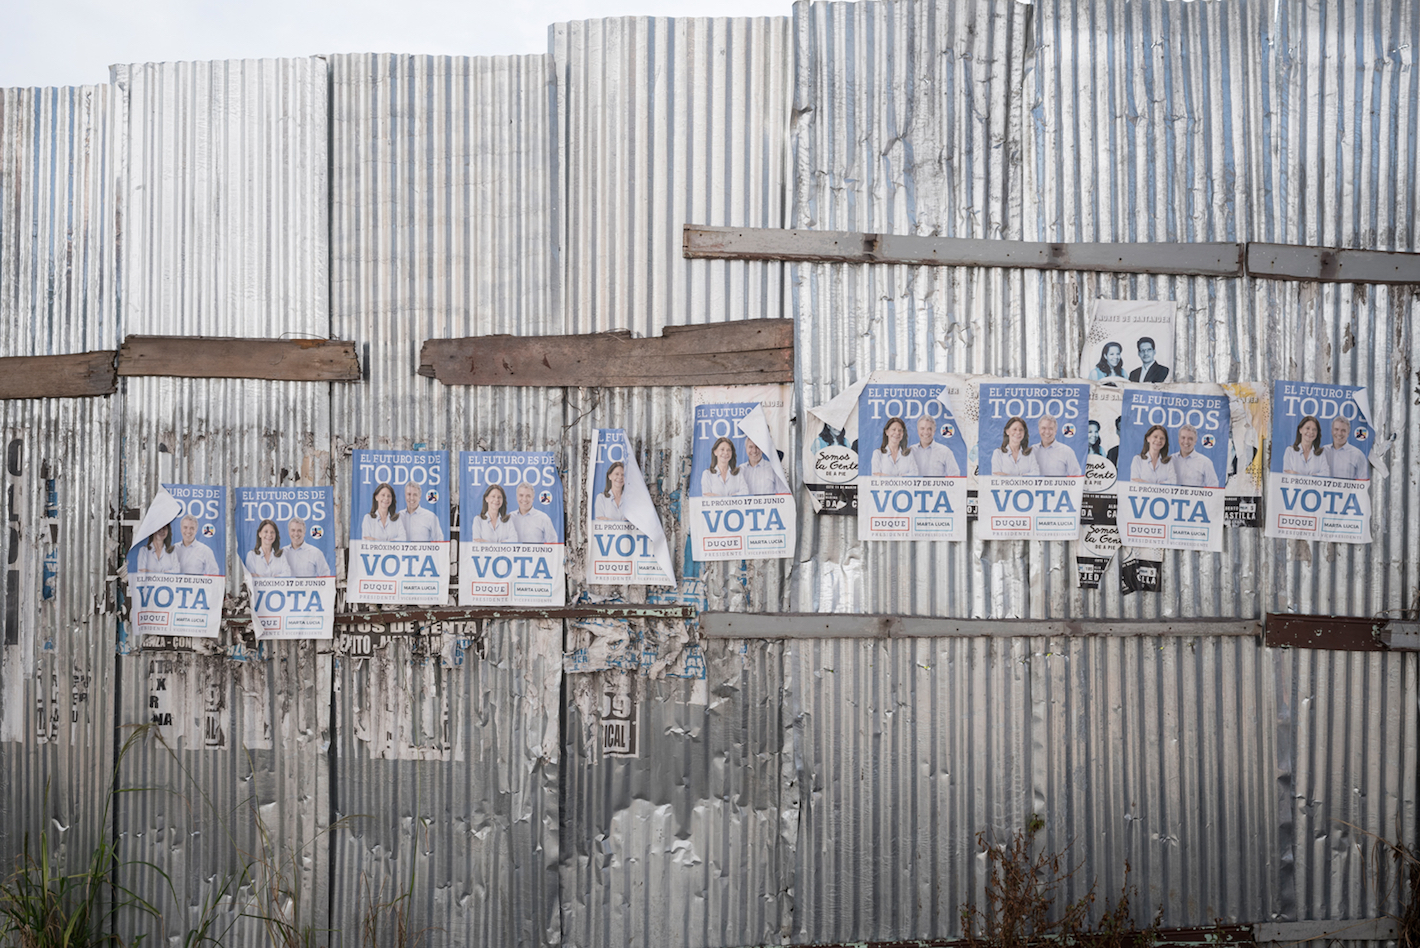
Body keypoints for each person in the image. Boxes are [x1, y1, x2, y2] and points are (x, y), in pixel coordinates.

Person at [1323, 416, 1368, 480]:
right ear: (1332, 431)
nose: (1339, 433)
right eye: (1336, 429)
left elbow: (1363, 482)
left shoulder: (1357, 455)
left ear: (1348, 433)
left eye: (1343, 430)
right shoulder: (1323, 451)